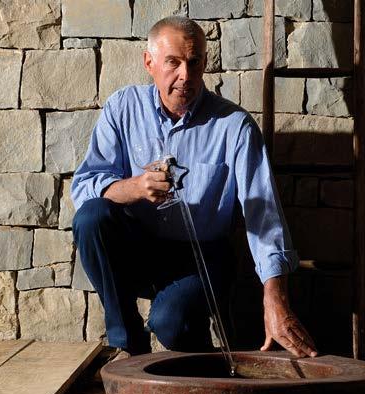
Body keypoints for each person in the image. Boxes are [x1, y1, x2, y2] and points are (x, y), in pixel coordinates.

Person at [71, 16, 317, 359]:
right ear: (149, 63)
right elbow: (84, 188)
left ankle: (194, 340)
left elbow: (263, 213)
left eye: (194, 62)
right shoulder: (123, 108)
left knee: (172, 324)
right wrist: (136, 187)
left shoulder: (234, 126)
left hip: (203, 256)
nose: (185, 75)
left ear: (204, 63)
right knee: (91, 217)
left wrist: (275, 299)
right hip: (139, 249)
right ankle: (128, 344)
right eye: (173, 62)